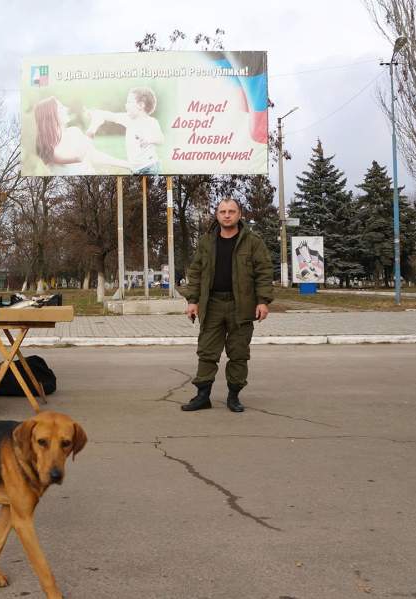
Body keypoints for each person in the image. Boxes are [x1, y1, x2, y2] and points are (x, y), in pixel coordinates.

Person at [181, 199, 274, 412]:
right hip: (211, 304)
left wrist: (263, 301)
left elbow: (264, 272)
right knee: (207, 352)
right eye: (222, 211)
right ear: (216, 215)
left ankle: (234, 396)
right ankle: (203, 396)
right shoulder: (206, 242)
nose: (227, 215)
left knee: (238, 353)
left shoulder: (253, 242)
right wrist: (192, 301)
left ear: (239, 214)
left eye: (231, 211)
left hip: (241, 306)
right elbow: (196, 272)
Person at [33, 96, 131, 175]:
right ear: (51, 115)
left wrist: (128, 165)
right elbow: (79, 156)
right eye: (61, 108)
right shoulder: (47, 147)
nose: (66, 109)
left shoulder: (74, 131)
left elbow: (92, 155)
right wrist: (93, 127)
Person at [85, 87, 165, 175]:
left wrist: (149, 139)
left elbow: (161, 139)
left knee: (151, 188)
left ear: (141, 105)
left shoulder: (151, 122)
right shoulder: (128, 119)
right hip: (135, 169)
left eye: (129, 102)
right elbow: (111, 115)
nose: (126, 105)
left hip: (150, 167)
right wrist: (94, 112)